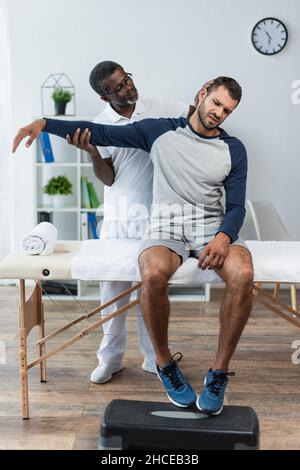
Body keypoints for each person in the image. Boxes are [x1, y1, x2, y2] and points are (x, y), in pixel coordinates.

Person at [13, 76, 254, 415]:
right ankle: (165, 364)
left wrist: (224, 236)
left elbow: (237, 206)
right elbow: (101, 133)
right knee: (153, 273)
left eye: (227, 110)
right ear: (202, 94)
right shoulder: (158, 130)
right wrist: (43, 123)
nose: (218, 113)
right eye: (216, 103)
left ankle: (217, 373)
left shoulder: (234, 148)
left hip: (211, 228)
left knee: (243, 273)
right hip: (166, 227)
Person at [61, 61, 194, 384]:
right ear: (106, 98)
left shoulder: (160, 106)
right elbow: (108, 178)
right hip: (120, 218)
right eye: (118, 87)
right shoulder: (99, 126)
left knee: (152, 288)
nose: (128, 87)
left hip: (157, 218)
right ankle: (110, 359)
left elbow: (196, 117)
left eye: (127, 79)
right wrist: (92, 152)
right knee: (113, 293)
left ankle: (153, 358)